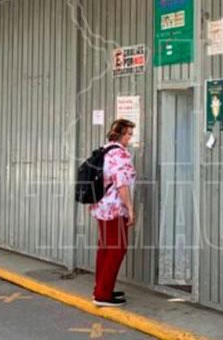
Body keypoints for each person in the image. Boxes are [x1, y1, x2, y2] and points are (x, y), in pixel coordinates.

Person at [90, 119, 137, 307]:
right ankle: (103, 294)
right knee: (117, 248)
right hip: (115, 209)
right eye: (128, 134)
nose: (130, 138)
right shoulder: (120, 154)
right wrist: (130, 208)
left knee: (105, 248)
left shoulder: (105, 150)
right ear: (119, 134)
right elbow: (121, 184)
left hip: (102, 206)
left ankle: (101, 288)